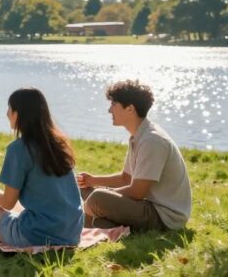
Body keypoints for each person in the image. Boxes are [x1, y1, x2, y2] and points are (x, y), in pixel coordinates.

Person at [0, 87, 83, 247]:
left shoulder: (19, 149)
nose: (7, 113)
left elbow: (7, 203)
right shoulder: (59, 144)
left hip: (37, 235)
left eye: (10, 108)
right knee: (11, 210)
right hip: (71, 233)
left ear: (18, 114)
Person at [76, 80, 192, 232]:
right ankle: (95, 223)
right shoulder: (139, 136)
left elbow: (137, 192)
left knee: (97, 198)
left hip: (163, 216)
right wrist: (92, 180)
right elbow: (126, 178)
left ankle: (88, 222)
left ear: (130, 109)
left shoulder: (153, 141)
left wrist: (98, 197)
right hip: (145, 206)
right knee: (81, 189)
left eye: (114, 105)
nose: (109, 110)